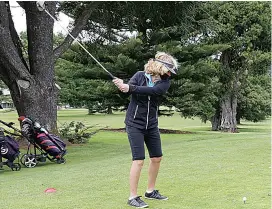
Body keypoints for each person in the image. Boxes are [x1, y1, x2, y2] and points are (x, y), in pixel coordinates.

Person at [113, 52, 178, 208]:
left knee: (157, 158)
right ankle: (132, 197)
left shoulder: (165, 82)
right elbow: (127, 92)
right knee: (139, 160)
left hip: (151, 125)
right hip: (134, 124)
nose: (170, 74)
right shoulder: (139, 75)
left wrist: (130, 87)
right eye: (168, 70)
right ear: (160, 67)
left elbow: (152, 92)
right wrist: (123, 87)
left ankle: (150, 191)